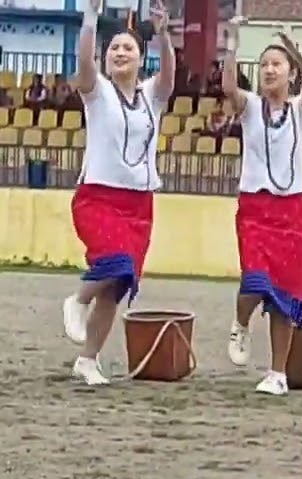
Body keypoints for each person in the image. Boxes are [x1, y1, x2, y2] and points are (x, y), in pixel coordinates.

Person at [61, 0, 174, 386]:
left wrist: (162, 34)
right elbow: (84, 65)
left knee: (117, 285)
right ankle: (77, 299)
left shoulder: (151, 97)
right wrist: (90, 17)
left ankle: (88, 360)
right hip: (98, 196)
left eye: (128, 48)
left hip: (139, 202)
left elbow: (171, 77)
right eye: (114, 49)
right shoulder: (97, 92)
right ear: (106, 58)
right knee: (116, 264)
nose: (121, 52)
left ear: (141, 58)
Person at [222, 17, 302, 396]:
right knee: (256, 279)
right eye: (264, 65)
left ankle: (277, 372)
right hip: (256, 207)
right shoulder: (249, 108)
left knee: (284, 295)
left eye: (276, 65)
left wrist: (295, 48)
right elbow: (229, 86)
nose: (269, 70)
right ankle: (241, 321)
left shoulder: (300, 109)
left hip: (292, 210)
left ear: (290, 74)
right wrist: (232, 41)